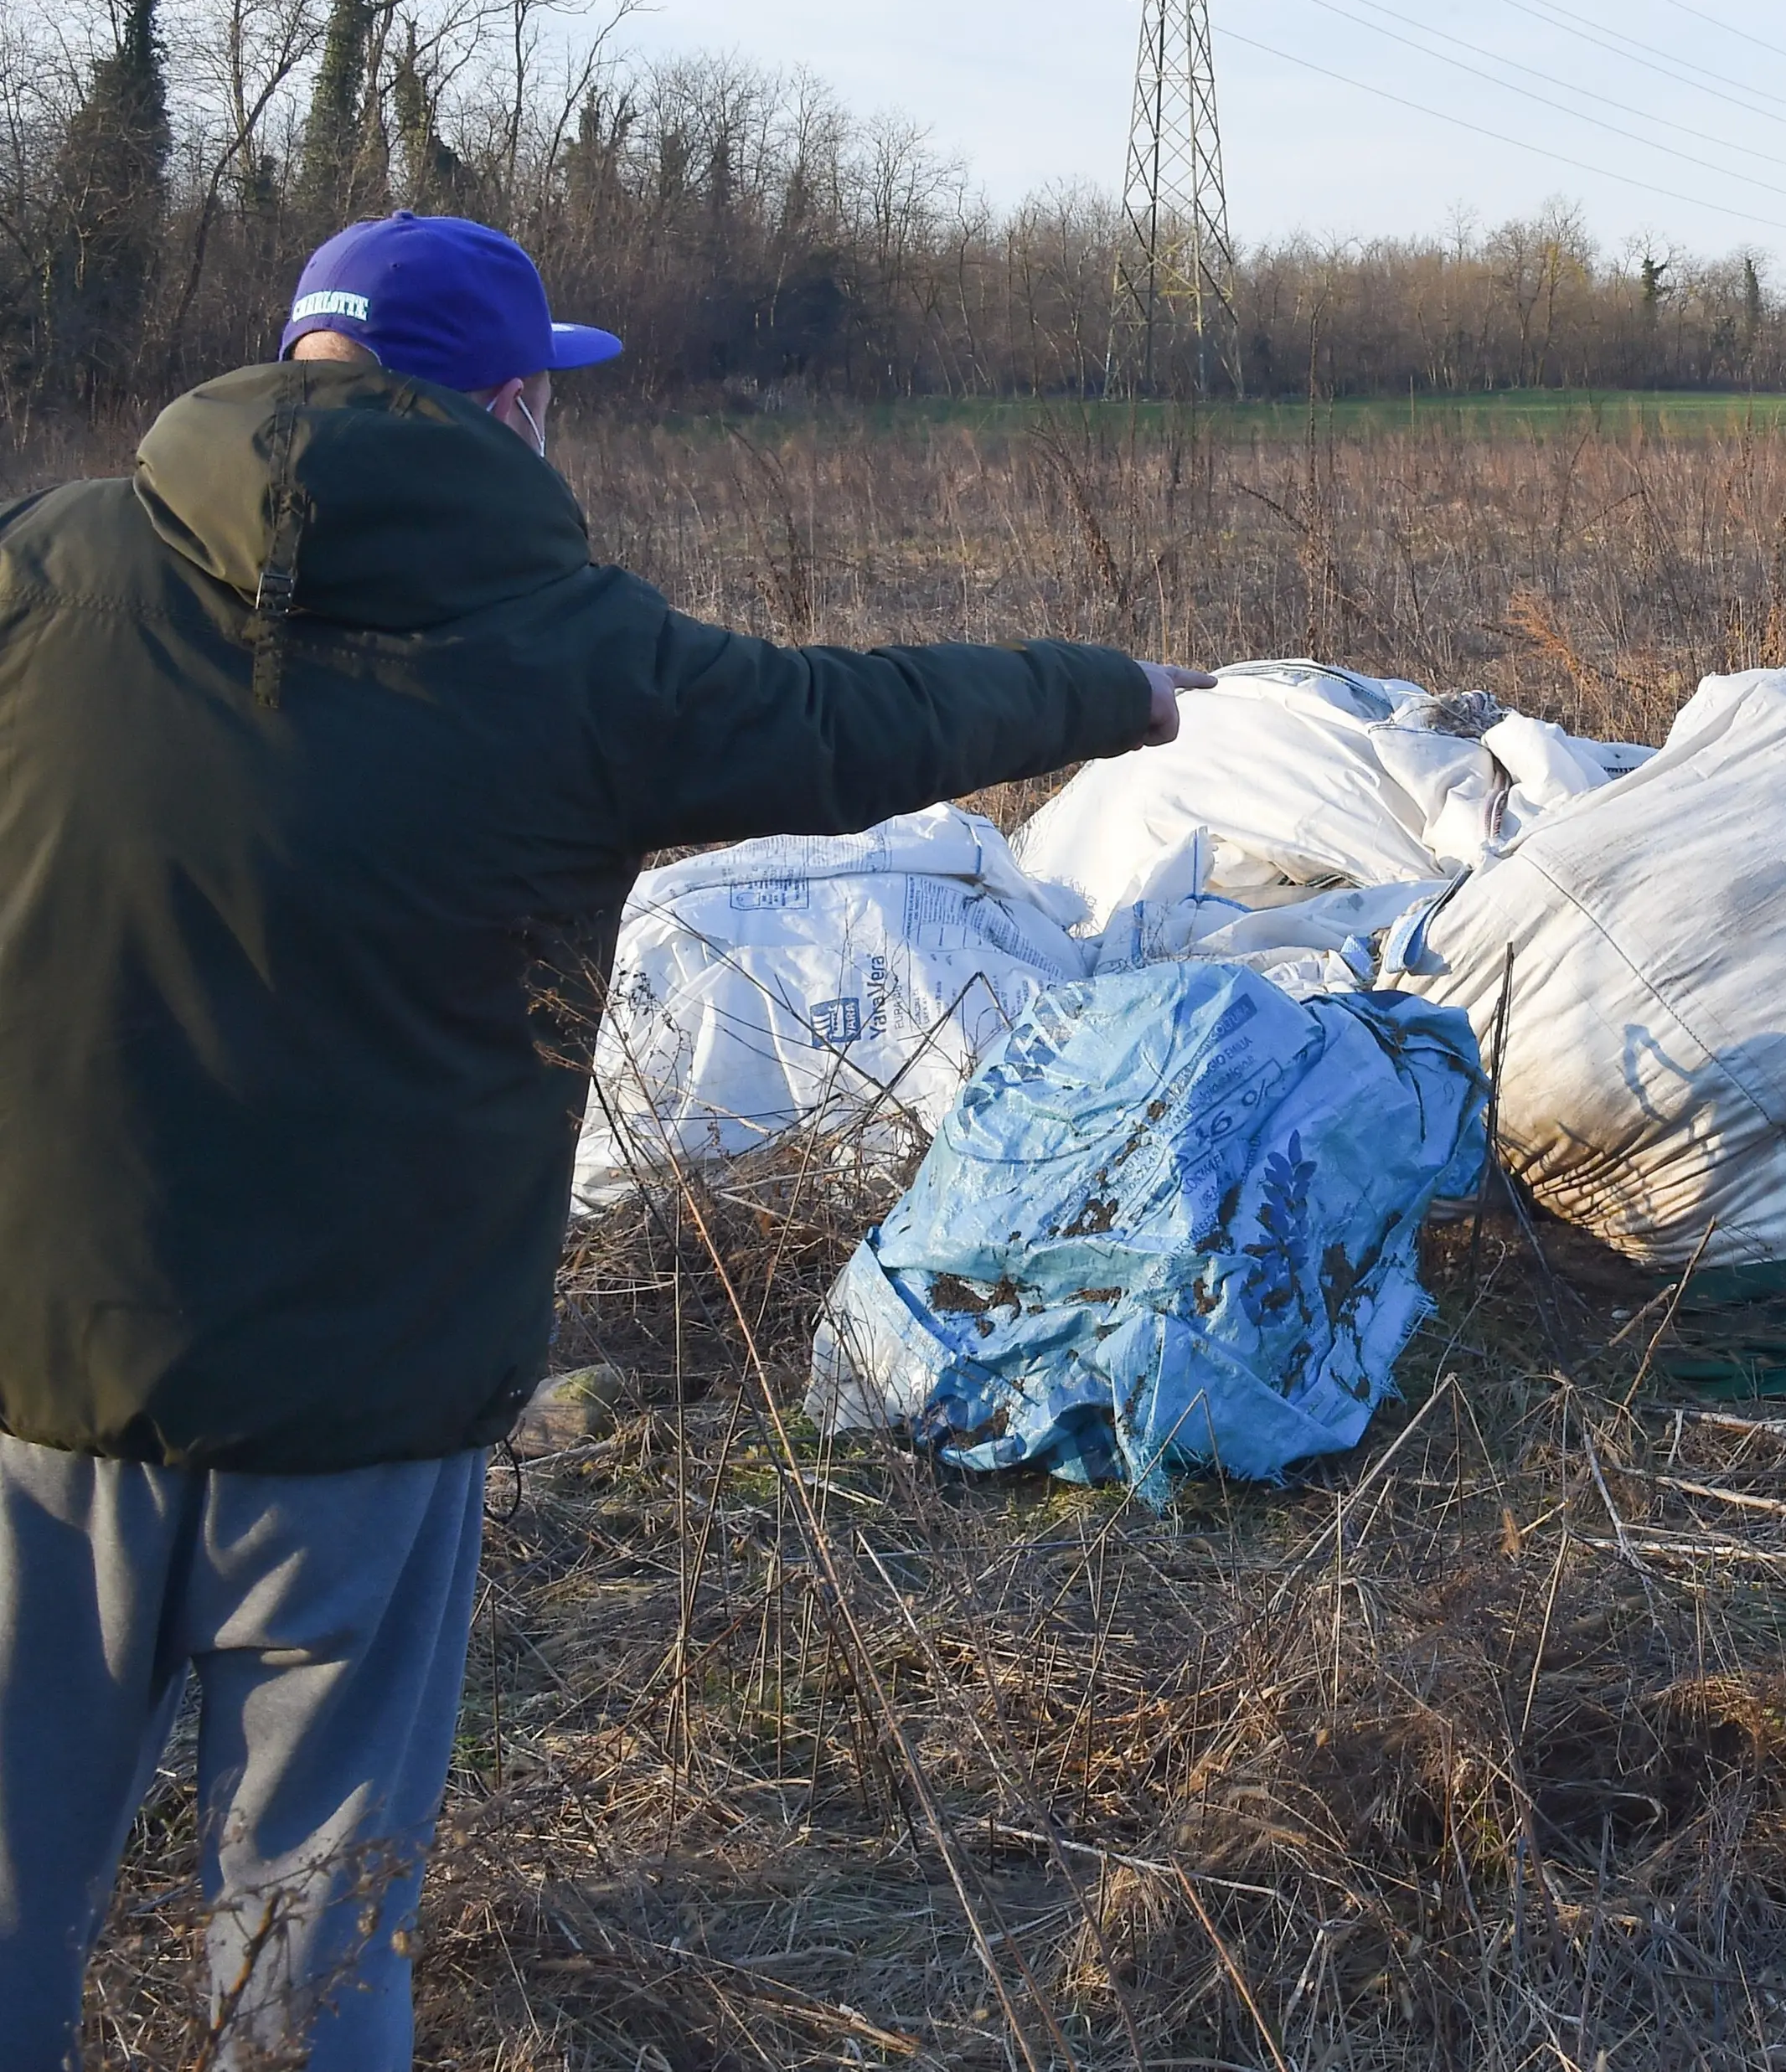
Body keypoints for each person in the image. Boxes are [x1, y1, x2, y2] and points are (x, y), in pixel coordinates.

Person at [0, 210, 1207, 2066]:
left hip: (42, 1372)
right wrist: (1103, 690)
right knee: (312, 1935)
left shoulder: (45, 567)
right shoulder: (584, 660)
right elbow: (857, 718)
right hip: (367, 1411)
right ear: (507, 406)